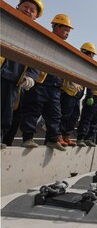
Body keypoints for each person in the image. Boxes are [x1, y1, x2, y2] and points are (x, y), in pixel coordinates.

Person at [19, 14, 73, 151]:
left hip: (55, 85)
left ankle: (52, 139)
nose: (67, 33)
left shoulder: (64, 47)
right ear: (56, 26)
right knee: (33, 109)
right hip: (40, 81)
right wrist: (30, 74)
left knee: (55, 114)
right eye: (65, 30)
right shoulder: (44, 38)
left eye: (69, 31)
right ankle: (28, 138)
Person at [1, 0, 44, 149]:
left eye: (32, 10)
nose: (28, 11)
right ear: (17, 6)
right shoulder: (4, 19)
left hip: (14, 78)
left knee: (5, 112)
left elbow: (38, 59)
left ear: (36, 17)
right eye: (25, 7)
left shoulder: (35, 37)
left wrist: (31, 75)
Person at [59, 42, 91, 146]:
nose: (91, 57)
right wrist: (72, 80)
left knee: (74, 116)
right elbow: (66, 70)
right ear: (85, 52)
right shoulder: (75, 60)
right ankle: (59, 135)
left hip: (77, 95)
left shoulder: (86, 67)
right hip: (68, 92)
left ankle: (66, 136)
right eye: (90, 54)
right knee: (64, 114)